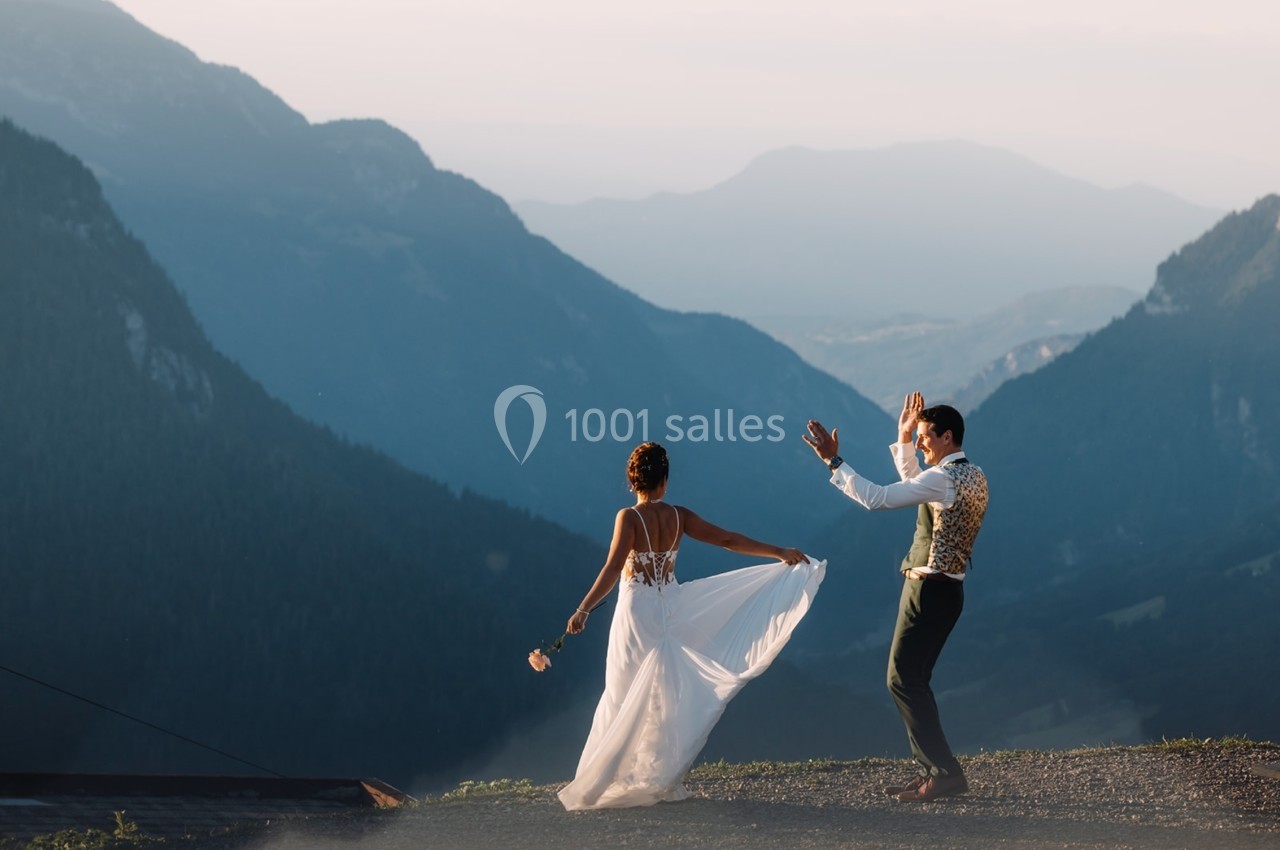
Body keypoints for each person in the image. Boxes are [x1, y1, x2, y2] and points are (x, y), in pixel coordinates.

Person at [556, 442, 825, 811]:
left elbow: (613, 568)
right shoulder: (679, 516)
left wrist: (583, 609)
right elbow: (729, 540)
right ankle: (657, 778)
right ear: (664, 479)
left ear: (632, 479)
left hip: (638, 613)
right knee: (664, 694)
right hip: (673, 606)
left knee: (623, 690)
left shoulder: (629, 518)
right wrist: (778, 551)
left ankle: (603, 780)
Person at [804, 392, 988, 803]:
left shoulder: (942, 478)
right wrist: (903, 438)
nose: (921, 443)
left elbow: (879, 498)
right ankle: (932, 771)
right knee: (911, 681)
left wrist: (834, 462)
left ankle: (942, 772)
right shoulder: (969, 474)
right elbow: (913, 486)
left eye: (925, 437)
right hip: (948, 590)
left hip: (928, 590)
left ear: (946, 436)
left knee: (902, 680)